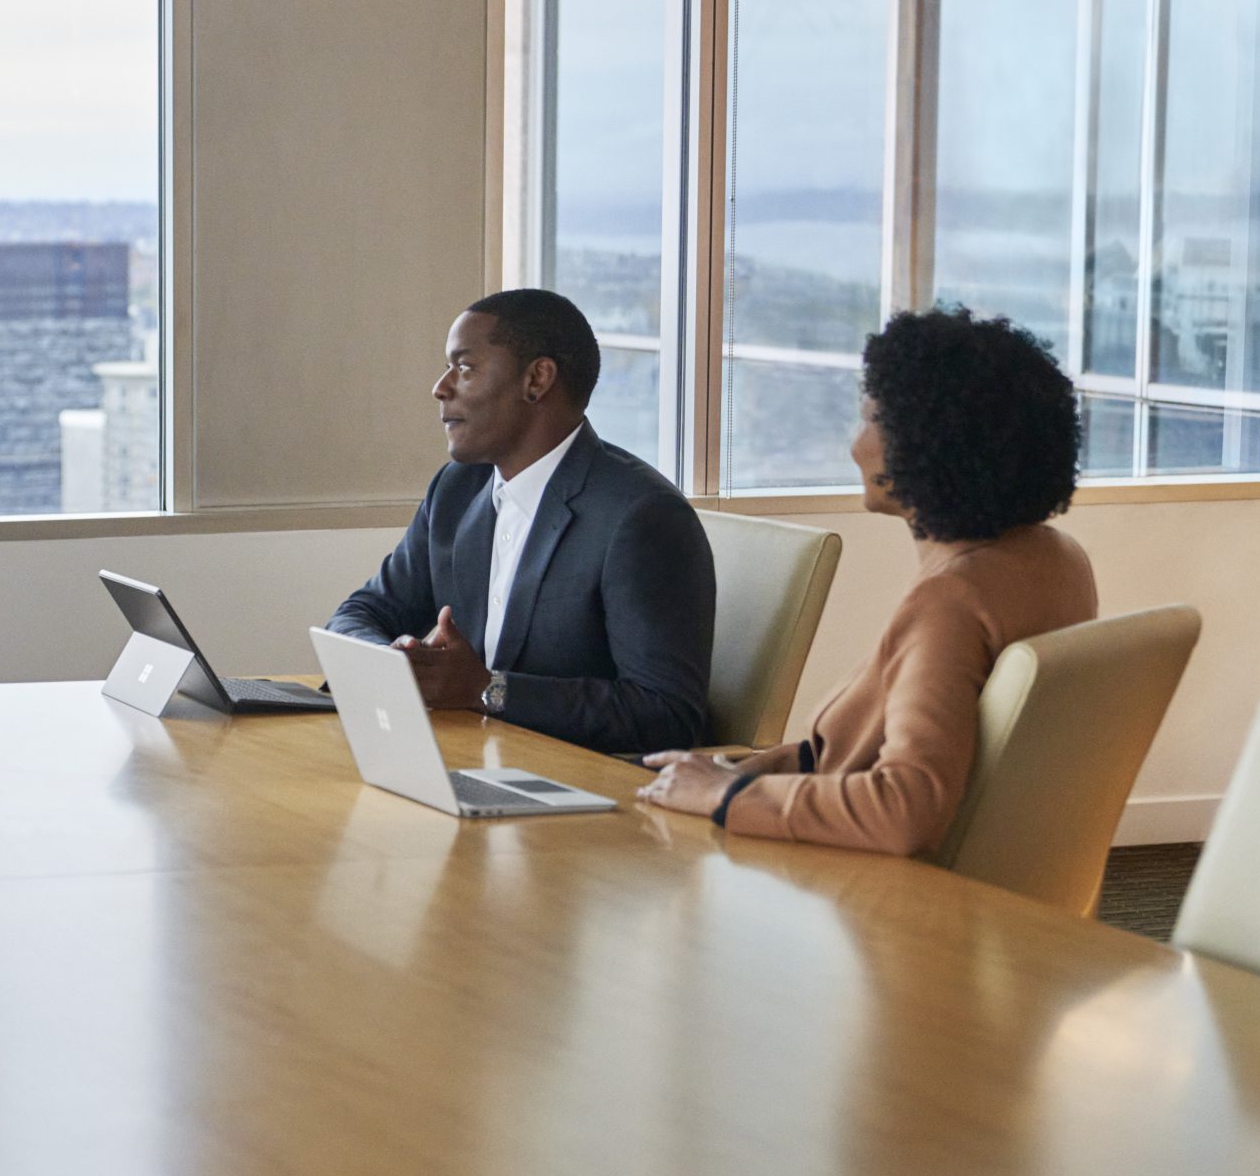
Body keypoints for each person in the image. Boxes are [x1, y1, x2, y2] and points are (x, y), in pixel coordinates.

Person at [638, 307, 1095, 853]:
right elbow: (847, 751)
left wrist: (728, 796)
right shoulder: (1057, 558)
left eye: (869, 420)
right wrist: (722, 773)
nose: (856, 445)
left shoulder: (951, 601)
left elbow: (906, 807)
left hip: (881, 899)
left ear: (928, 443)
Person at [326, 288, 714, 756]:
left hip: (581, 795)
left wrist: (489, 689)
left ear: (537, 379)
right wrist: (396, 663)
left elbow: (667, 716)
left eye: (464, 367)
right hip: (469, 760)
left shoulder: (640, 518)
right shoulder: (457, 488)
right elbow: (360, 613)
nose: (441, 387)